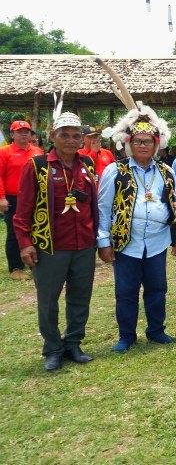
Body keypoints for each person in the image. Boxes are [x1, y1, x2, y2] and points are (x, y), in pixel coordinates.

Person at [15, 107, 98, 372]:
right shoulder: (37, 166)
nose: (72, 140)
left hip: (84, 243)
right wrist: (25, 242)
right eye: (66, 135)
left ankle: (73, 343)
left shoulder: (87, 165)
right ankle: (52, 348)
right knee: (48, 299)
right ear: (53, 136)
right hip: (50, 245)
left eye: (76, 136)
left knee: (80, 296)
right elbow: (24, 208)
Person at [97, 105, 176, 352]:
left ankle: (156, 330)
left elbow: (175, 205)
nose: (143, 145)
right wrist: (103, 241)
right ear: (129, 143)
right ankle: (126, 336)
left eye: (148, 141)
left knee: (157, 288)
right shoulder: (115, 171)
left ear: (157, 144)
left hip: (156, 242)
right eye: (138, 141)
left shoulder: (166, 172)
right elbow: (103, 209)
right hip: (127, 242)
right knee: (126, 290)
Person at [0, 120, 43, 280]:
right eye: (20, 131)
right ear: (12, 134)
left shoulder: (37, 151)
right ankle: (16, 267)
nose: (24, 134)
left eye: (27, 131)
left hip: (36, 198)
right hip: (14, 198)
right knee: (14, 232)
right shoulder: (5, 152)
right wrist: (1, 198)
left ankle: (34, 262)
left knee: (35, 229)